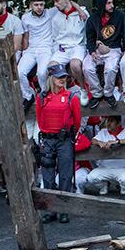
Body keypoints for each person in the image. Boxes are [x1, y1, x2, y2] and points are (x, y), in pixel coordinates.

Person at [36, 64, 82, 223]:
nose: (63, 80)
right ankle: (50, 209)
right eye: (59, 77)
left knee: (65, 175)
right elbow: (39, 117)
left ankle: (64, 210)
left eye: (64, 77)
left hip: (64, 140)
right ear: (51, 79)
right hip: (48, 139)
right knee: (47, 176)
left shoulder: (71, 97)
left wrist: (68, 135)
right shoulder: (42, 97)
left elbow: (77, 121)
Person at [49, 0, 89, 106]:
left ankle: (83, 89)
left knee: (75, 65)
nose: (55, 4)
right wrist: (56, 51)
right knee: (52, 66)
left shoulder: (82, 13)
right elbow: (55, 37)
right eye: (54, 1)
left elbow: (90, 30)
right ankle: (59, 93)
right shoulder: (55, 17)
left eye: (57, 0)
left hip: (78, 46)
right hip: (63, 48)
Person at [84, 0, 125, 109]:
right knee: (87, 67)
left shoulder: (120, 16)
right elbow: (90, 38)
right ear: (102, 5)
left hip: (114, 48)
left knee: (111, 68)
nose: (112, 5)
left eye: (112, 3)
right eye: (108, 3)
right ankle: (97, 93)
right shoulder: (92, 19)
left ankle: (108, 93)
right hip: (97, 49)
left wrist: (124, 49)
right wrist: (92, 51)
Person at [18, 0, 56, 111]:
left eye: (41, 4)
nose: (39, 7)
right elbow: (25, 36)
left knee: (42, 72)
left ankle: (44, 93)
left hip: (46, 48)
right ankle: (28, 96)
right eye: (36, 5)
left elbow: (69, 2)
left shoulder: (51, 13)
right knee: (20, 72)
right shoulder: (25, 17)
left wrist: (80, 11)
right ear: (31, 5)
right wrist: (24, 51)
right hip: (31, 49)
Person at [85, 116, 125, 195]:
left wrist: (117, 142)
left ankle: (123, 186)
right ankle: (103, 186)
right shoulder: (103, 132)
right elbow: (93, 140)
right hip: (104, 168)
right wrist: (99, 142)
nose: (108, 124)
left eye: (111, 121)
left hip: (122, 168)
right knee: (91, 178)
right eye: (108, 121)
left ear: (118, 123)